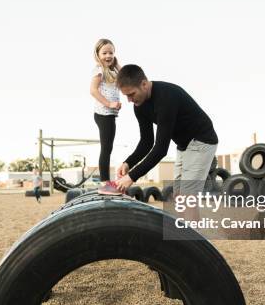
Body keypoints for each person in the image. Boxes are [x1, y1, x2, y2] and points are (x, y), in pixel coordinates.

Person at [114, 64, 218, 209]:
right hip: (183, 146)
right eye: (126, 96)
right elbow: (146, 142)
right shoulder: (139, 106)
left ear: (144, 84)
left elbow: (161, 149)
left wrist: (131, 177)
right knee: (179, 198)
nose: (129, 100)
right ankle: (186, 230)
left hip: (202, 141)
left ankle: (189, 231)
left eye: (131, 94)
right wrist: (128, 163)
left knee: (187, 200)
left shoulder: (166, 97)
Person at [89, 39, 122, 195]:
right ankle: (104, 184)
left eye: (111, 52)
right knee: (106, 149)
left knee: (108, 148)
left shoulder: (112, 70)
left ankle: (106, 183)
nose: (108, 55)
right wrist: (109, 104)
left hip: (109, 114)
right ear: (97, 54)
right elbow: (93, 91)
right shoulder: (99, 70)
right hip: (104, 113)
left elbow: (125, 77)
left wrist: (117, 64)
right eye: (104, 53)